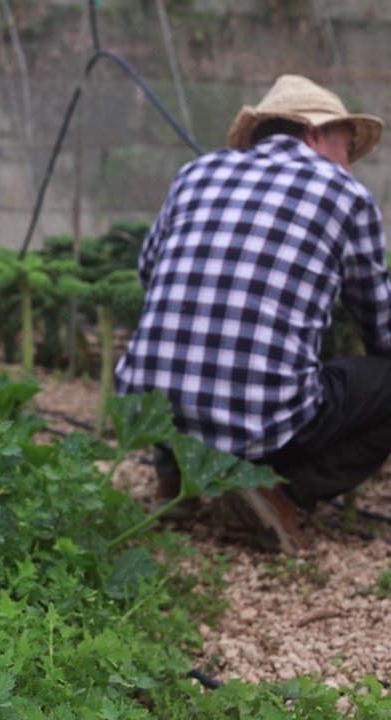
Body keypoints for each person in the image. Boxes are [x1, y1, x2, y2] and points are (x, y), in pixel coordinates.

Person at [115, 74, 391, 554]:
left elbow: (148, 272)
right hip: (258, 418)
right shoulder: (345, 195)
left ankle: (173, 473)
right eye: (347, 148)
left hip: (145, 406)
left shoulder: (196, 172)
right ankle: (284, 492)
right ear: (315, 133)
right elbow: (380, 323)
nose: (349, 164)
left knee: (187, 339)